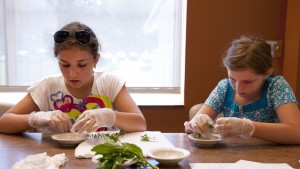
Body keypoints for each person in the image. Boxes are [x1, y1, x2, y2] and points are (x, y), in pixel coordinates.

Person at [0, 22, 147, 134]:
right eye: (64, 64)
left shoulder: (109, 82)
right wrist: (37, 118)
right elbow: (3, 122)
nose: (72, 74)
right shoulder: (48, 86)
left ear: (96, 60)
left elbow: (140, 124)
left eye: (82, 65)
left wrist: (107, 115)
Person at [184, 35, 300, 144]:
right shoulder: (224, 88)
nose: (238, 88)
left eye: (248, 81)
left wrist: (247, 127)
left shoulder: (276, 87)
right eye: (232, 78)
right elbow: (190, 128)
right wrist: (196, 124)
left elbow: (297, 133)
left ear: (267, 73)